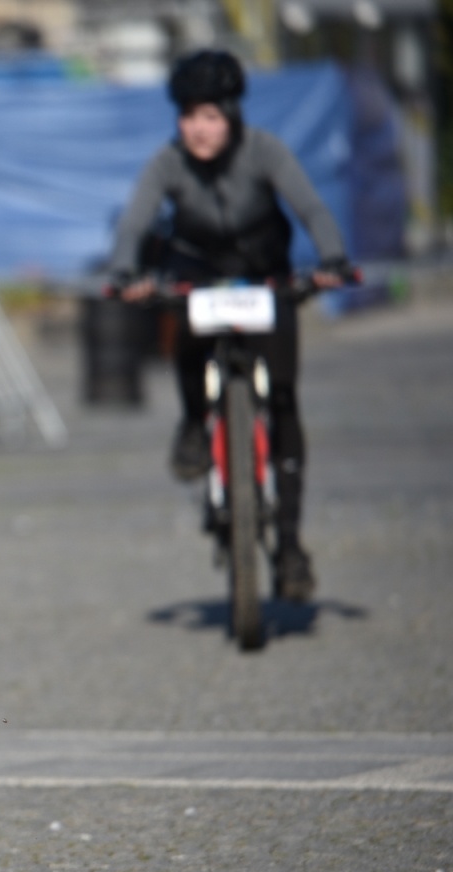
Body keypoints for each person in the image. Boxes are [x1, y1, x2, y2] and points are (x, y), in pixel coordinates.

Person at [109, 49, 351, 601]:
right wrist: (127, 272)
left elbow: (310, 208)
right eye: (189, 116)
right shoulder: (167, 162)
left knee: (285, 398)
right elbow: (135, 220)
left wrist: (332, 260)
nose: (199, 129)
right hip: (196, 271)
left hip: (266, 275)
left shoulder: (265, 150)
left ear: (233, 115)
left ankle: (290, 547)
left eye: (211, 116)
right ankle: (195, 422)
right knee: (186, 336)